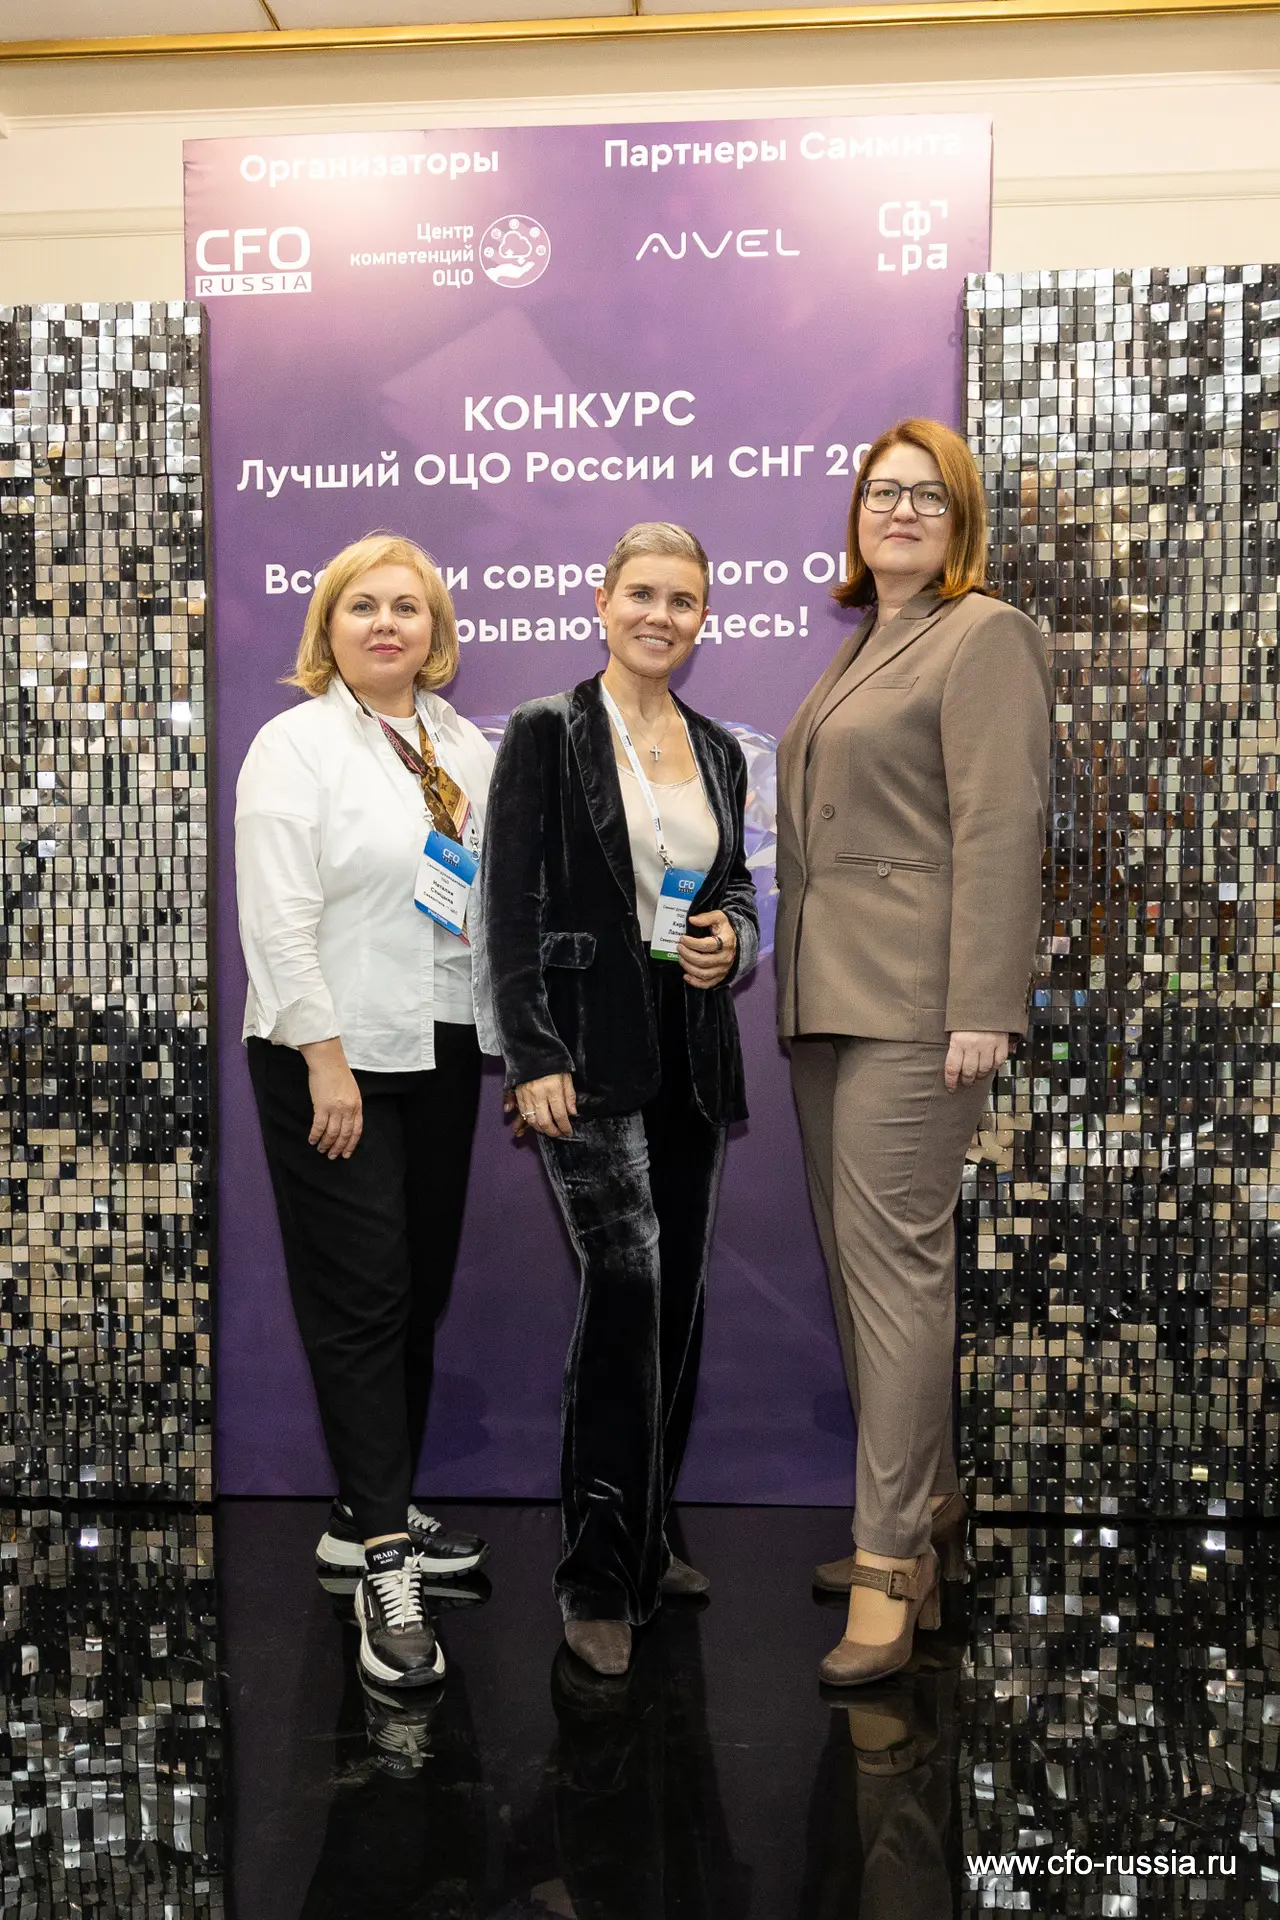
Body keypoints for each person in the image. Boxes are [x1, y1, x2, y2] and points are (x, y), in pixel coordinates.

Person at [775, 419, 1051, 1686]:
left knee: (893, 1276)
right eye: (880, 491)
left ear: (959, 521)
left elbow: (1000, 823)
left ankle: (888, 1563)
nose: (897, 510)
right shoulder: (863, 643)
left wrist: (980, 1001)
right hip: (825, 1001)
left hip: (917, 1005)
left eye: (925, 496)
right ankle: (925, 1505)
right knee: (858, 1274)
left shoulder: (981, 632)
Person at [481, 522, 759, 1676]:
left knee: (676, 1299)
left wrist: (731, 941)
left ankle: (648, 1535)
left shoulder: (720, 749)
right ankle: (596, 1574)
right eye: (640, 593)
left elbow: (733, 884)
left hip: (689, 1046)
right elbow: (505, 906)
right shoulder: (547, 731)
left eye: (681, 599)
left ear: (702, 618)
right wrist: (532, 1053)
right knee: (626, 1288)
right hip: (582, 1054)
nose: (659, 614)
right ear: (600, 603)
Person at [236, 533, 495, 1692]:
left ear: (434, 631)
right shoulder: (294, 746)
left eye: (406, 607)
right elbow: (278, 920)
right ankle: (384, 1569)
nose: (385, 624)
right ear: (328, 628)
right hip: (327, 1053)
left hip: (439, 1043)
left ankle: (366, 1509)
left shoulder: (459, 744)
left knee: (417, 1292)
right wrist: (324, 1062)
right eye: (362, 607)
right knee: (361, 1297)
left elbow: (479, 905)